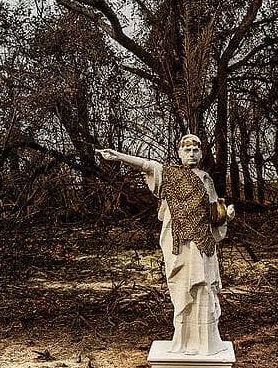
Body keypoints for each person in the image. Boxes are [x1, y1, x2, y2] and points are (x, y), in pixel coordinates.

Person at [96, 134, 234, 356]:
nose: (191, 154)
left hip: (204, 244)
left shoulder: (206, 178)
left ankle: (207, 343)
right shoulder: (169, 174)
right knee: (183, 292)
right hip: (180, 246)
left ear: (201, 153)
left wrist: (226, 215)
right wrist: (119, 156)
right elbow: (146, 164)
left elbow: (213, 214)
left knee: (205, 288)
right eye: (187, 150)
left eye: (195, 150)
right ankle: (185, 340)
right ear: (179, 153)